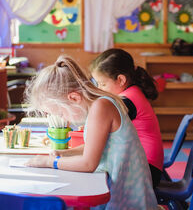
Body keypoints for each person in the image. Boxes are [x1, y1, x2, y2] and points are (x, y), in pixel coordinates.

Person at [25, 55, 158, 210]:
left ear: (74, 98)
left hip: (129, 198)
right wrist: (65, 153)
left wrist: (49, 163)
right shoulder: (99, 104)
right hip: (122, 188)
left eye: (61, 113)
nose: (64, 118)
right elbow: (96, 146)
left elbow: (88, 164)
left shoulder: (101, 107)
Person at [90, 48, 164, 188]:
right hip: (147, 165)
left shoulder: (127, 101)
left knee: (92, 171)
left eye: (103, 84)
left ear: (121, 80)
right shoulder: (132, 92)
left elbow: (102, 136)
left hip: (145, 171)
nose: (99, 89)